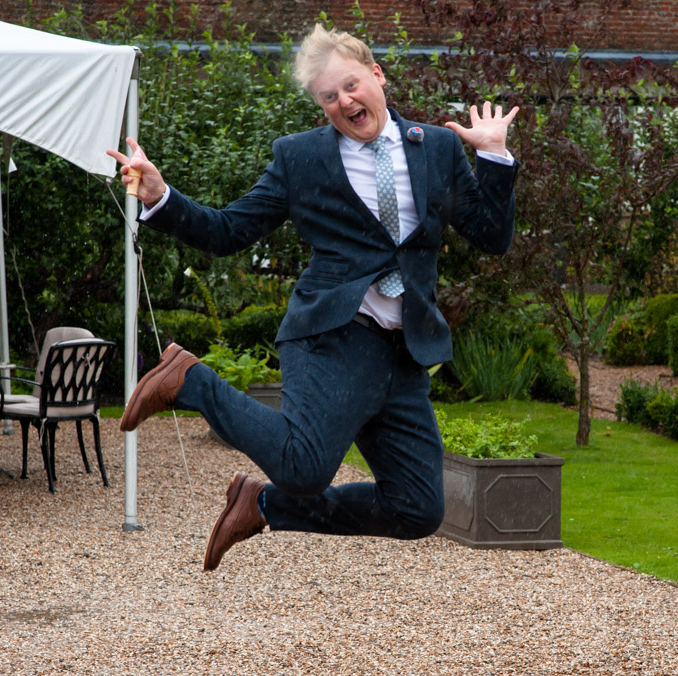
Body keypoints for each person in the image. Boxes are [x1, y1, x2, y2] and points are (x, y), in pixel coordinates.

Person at [108, 24, 519, 571]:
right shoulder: (300, 158)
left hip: (404, 352)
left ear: (377, 75)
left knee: (417, 508)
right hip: (333, 339)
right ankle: (191, 381)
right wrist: (162, 197)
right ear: (321, 106)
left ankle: (261, 505)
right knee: (304, 468)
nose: (344, 101)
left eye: (350, 85)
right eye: (329, 96)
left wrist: (494, 157)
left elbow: (491, 236)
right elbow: (228, 231)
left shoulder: (438, 148)